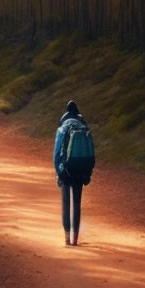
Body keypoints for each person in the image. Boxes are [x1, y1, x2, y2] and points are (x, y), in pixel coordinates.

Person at [53, 99, 91, 246]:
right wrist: (87, 173)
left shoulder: (62, 129)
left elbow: (57, 154)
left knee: (66, 203)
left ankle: (67, 238)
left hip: (65, 170)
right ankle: (76, 239)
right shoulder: (84, 129)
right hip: (80, 170)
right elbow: (90, 154)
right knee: (77, 203)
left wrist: (58, 172)